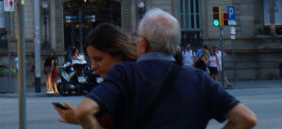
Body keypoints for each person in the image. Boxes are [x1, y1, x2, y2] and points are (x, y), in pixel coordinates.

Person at [69, 8, 257, 129]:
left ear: (142, 44)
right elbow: (247, 119)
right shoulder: (199, 80)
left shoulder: (125, 73)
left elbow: (84, 111)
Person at [55, 23, 136, 128]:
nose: (93, 66)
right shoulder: (132, 79)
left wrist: (84, 119)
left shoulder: (124, 82)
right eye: (91, 60)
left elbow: (83, 111)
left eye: (98, 59)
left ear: (118, 55)